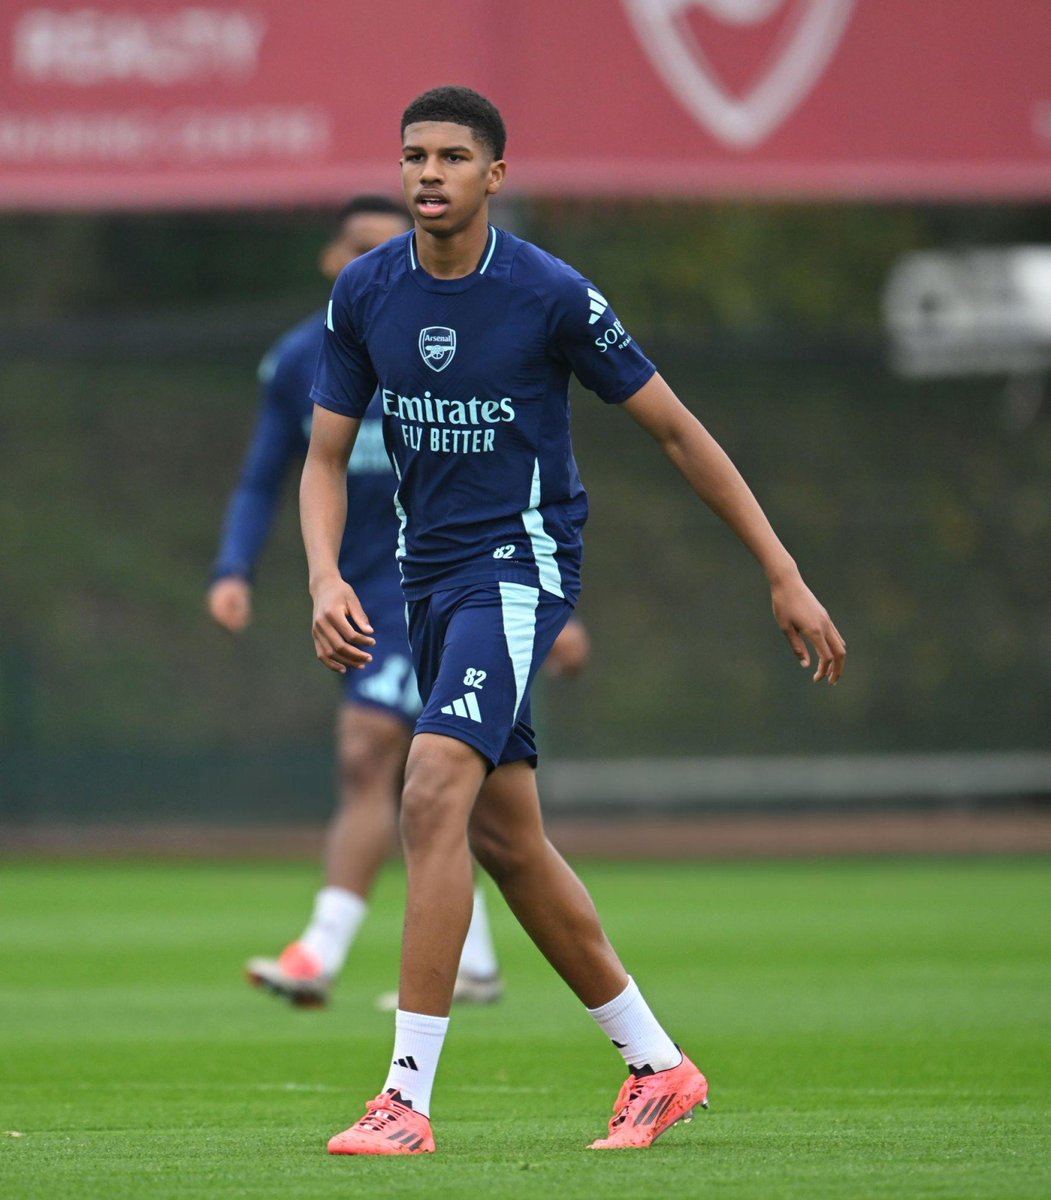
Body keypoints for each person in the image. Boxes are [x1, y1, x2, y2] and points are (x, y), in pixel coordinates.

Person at [301, 86, 846, 1154]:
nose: (428, 173)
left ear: (494, 176)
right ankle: (657, 1065)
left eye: (454, 156)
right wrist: (324, 575)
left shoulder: (550, 295)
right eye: (415, 154)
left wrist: (782, 572)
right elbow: (323, 458)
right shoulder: (367, 293)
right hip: (426, 584)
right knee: (508, 839)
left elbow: (679, 435)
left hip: (517, 573)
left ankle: (404, 1100)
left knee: (429, 789)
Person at [209, 196, 587, 1009]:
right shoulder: (304, 359)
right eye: (362, 249)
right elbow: (270, 472)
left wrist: (552, 610)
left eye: (395, 246)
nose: (384, 263)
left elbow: (522, 479)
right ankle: (469, 964)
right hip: (370, 590)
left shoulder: (471, 337)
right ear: (333, 261)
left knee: (405, 764)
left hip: (469, 581)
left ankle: (325, 952)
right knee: (430, 779)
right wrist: (235, 566)